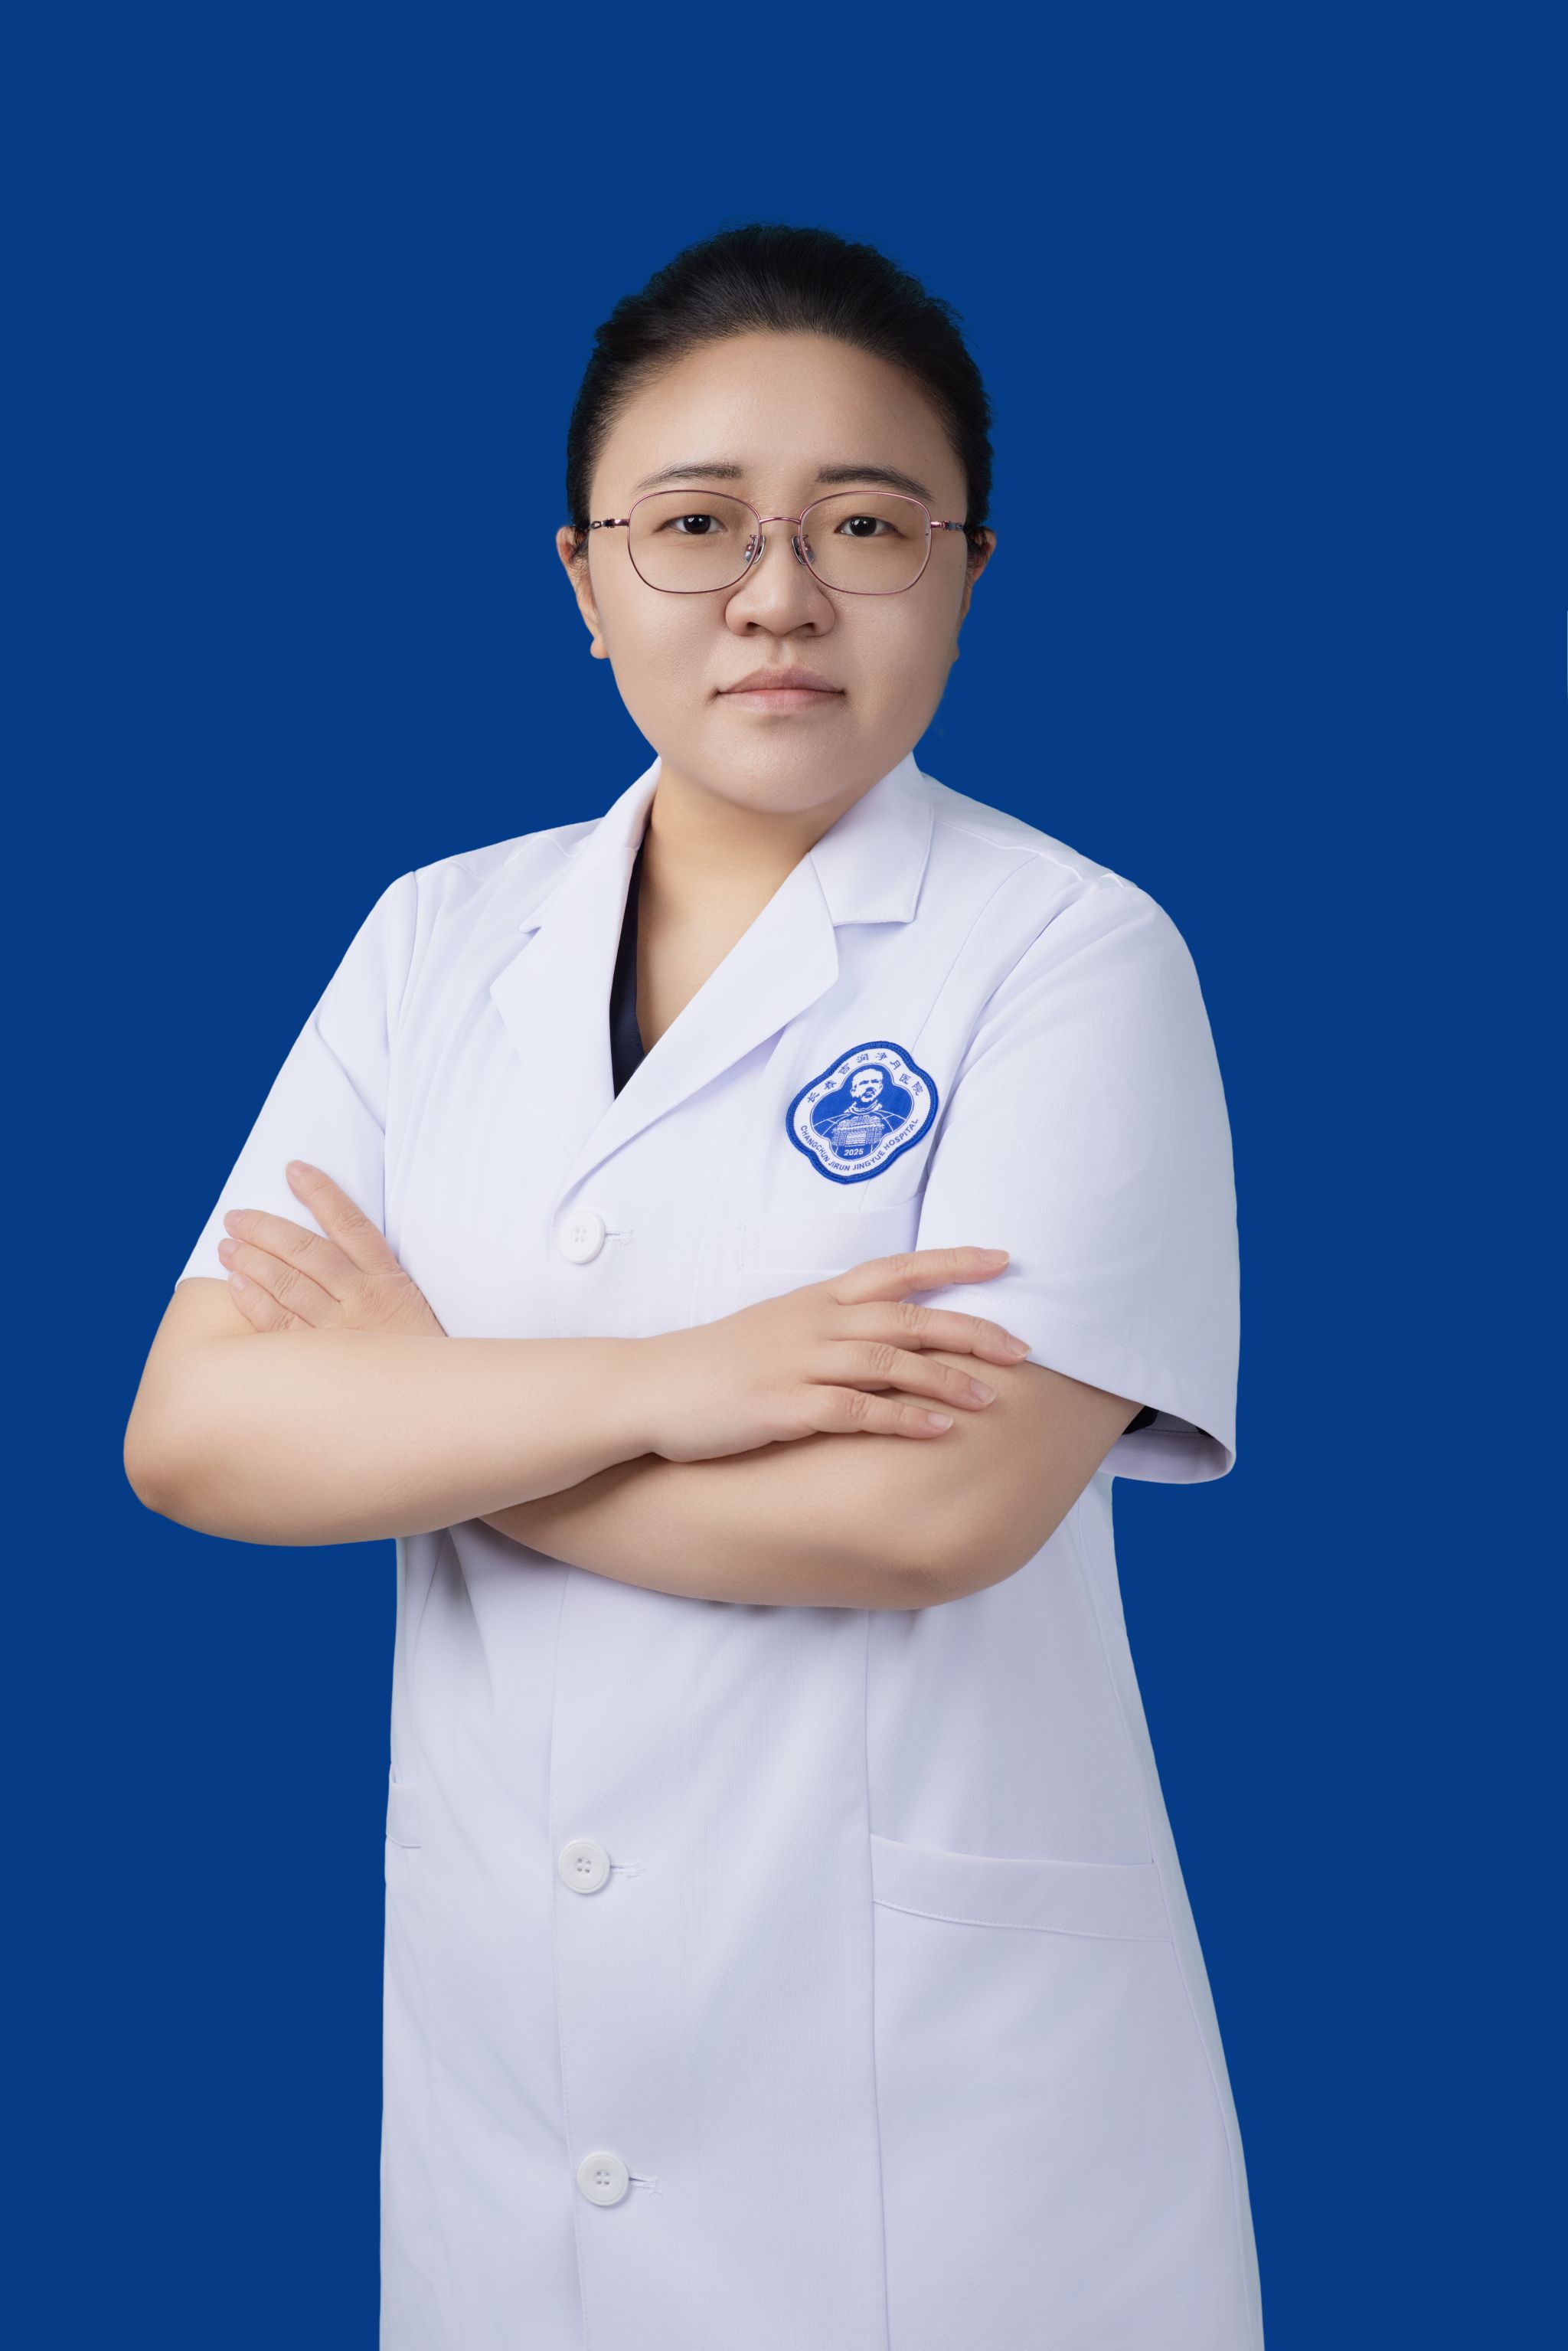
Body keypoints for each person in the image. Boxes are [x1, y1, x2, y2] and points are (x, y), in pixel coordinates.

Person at [124, 222, 1261, 2350]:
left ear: (969, 571)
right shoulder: (435, 941)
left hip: (936, 2127)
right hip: (512, 2096)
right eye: (696, 522)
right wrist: (683, 1380)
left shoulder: (1070, 955)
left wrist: (428, 1419)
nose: (777, 592)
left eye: (867, 524)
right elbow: (196, 1437)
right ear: (584, 577)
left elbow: (930, 1513)